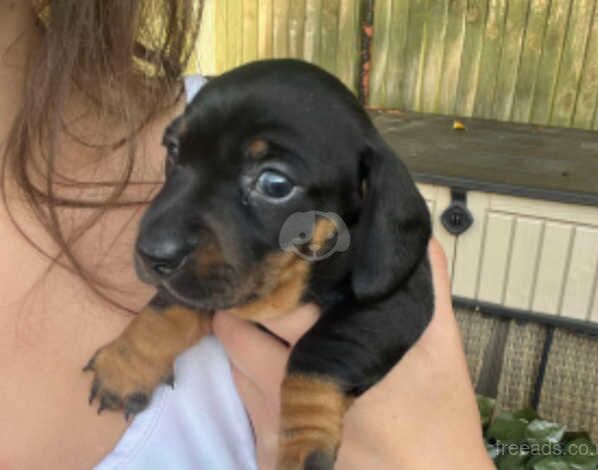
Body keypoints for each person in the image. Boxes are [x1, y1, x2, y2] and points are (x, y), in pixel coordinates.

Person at [0, 1, 493, 469]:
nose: (161, 241)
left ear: (368, 197)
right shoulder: (212, 123)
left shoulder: (367, 245)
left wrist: (315, 417)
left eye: (274, 183)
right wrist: (146, 345)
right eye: (176, 155)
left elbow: (389, 310)